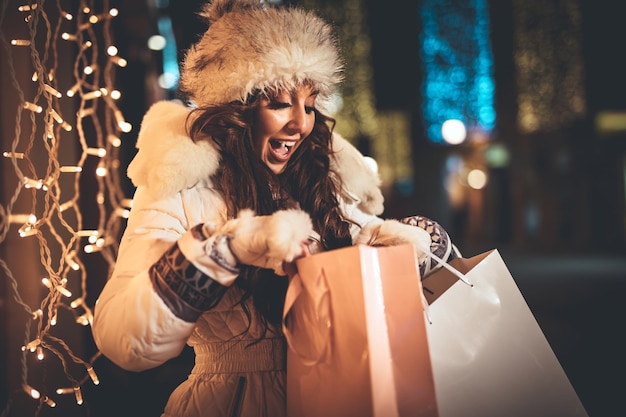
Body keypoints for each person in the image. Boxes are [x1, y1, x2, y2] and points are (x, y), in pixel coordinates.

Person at [92, 1, 457, 416]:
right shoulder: (180, 187)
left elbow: (375, 244)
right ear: (237, 107)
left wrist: (403, 245)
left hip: (341, 393)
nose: (301, 124)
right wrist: (222, 251)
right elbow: (121, 338)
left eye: (310, 102)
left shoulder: (323, 177)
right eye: (280, 103)